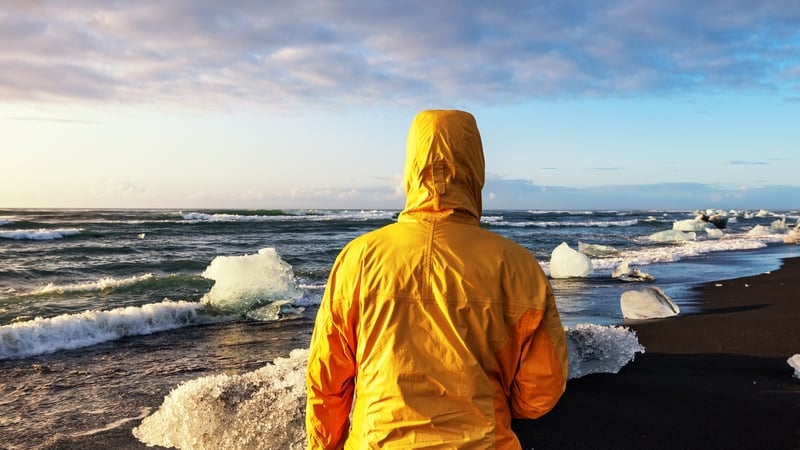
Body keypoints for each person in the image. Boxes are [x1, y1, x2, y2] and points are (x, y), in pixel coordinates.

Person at [306, 109, 568, 449]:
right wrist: (494, 407)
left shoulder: (358, 258)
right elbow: (543, 388)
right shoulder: (518, 266)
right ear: (476, 168)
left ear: (411, 168)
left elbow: (326, 381)